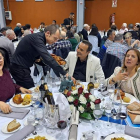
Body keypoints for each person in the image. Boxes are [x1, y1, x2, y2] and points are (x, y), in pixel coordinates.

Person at [0, 49, 31, 113]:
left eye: (0, 58)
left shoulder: (5, 72)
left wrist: (20, 88)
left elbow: (10, 84)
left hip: (12, 107)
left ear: (3, 58)